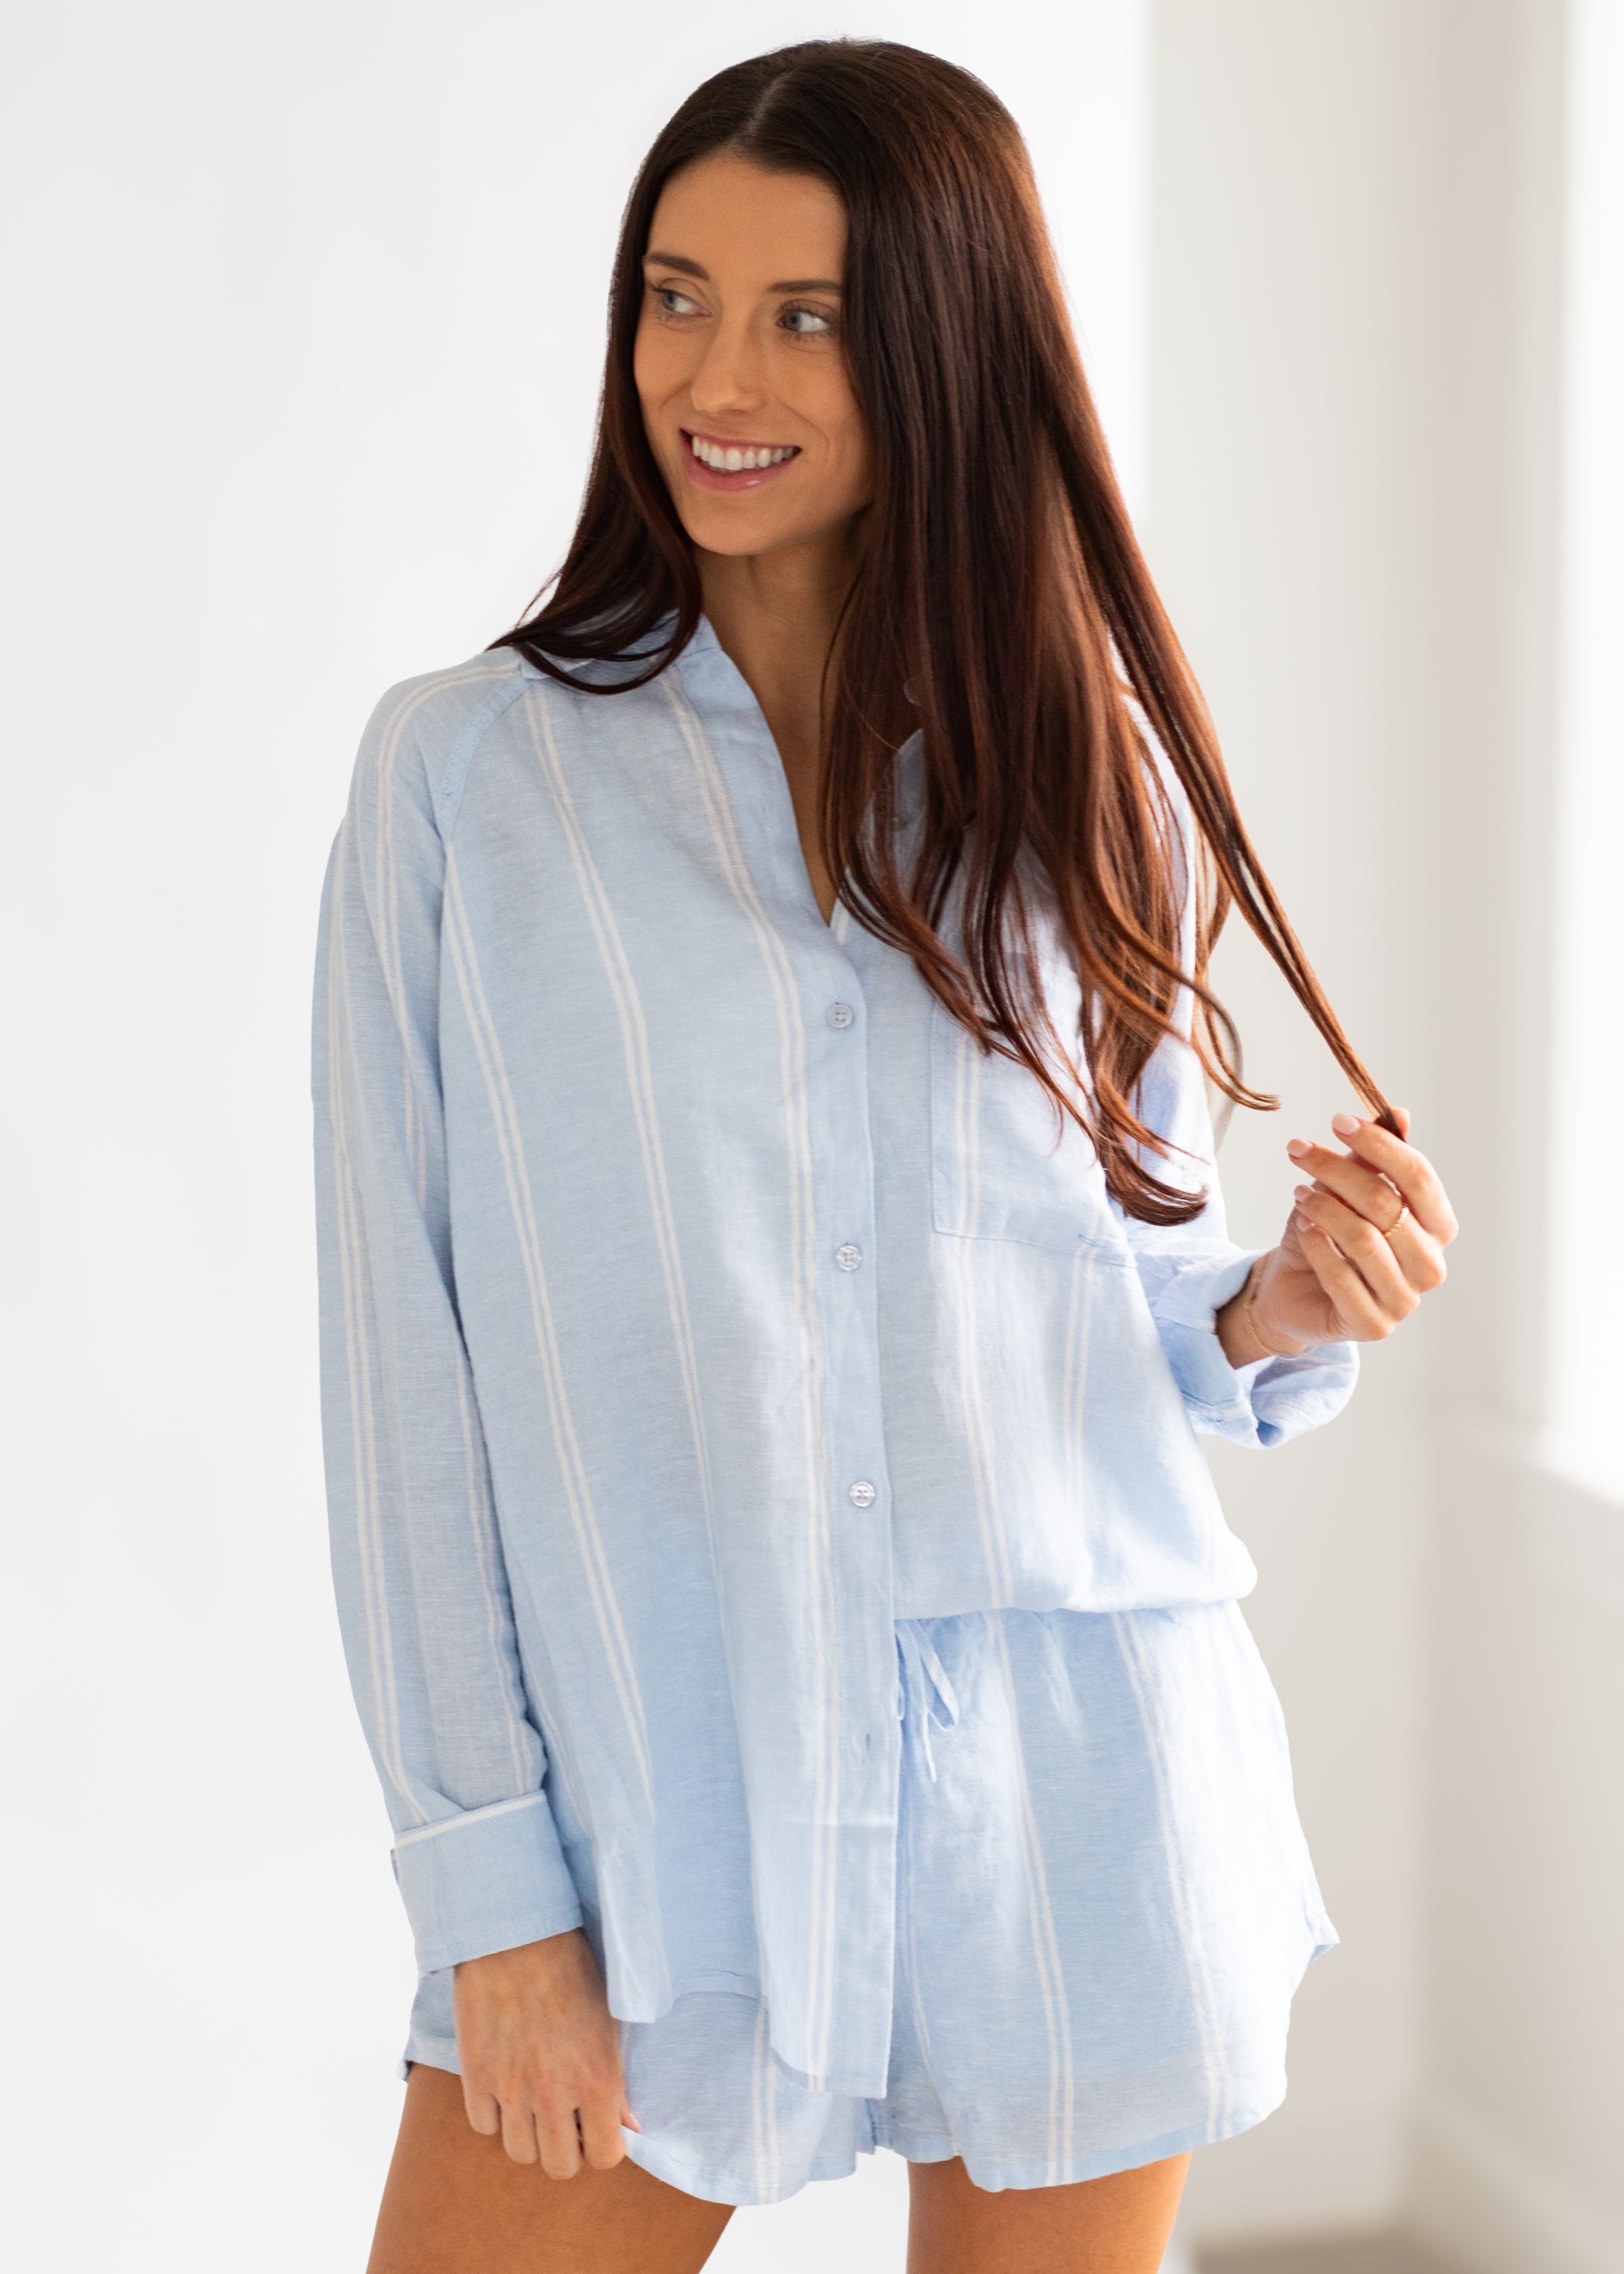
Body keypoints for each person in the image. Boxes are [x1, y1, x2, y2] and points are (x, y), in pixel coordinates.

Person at [311, 39, 1458, 2274]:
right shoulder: (465, 787)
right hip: (661, 1822)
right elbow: (404, 1393)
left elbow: (1116, 1303)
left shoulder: (1078, 769)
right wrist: (491, 1905)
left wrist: (1280, 1306)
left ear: (941, 343)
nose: (713, 375)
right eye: (675, 294)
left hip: (1077, 1804)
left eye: (805, 315)